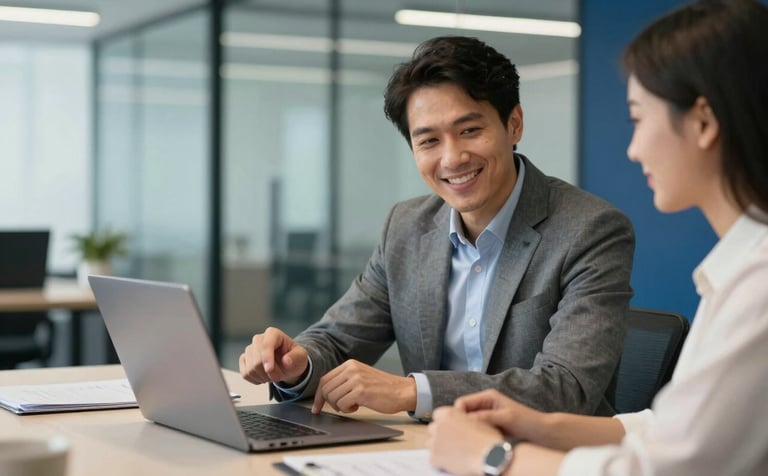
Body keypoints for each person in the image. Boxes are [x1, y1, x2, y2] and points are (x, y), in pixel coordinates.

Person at [427, 1, 768, 474]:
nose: (633, 148)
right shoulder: (741, 269)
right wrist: (537, 425)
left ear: (704, 123)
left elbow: (666, 469)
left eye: (638, 118)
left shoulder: (758, 287)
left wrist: (491, 459)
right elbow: (671, 428)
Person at [239, 36, 635, 420]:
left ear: (513, 125)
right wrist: (297, 363)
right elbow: (338, 340)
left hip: (542, 458)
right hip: (431, 453)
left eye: (469, 131)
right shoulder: (406, 228)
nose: (452, 158)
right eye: (428, 140)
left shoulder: (589, 230)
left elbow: (567, 388)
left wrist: (412, 391)